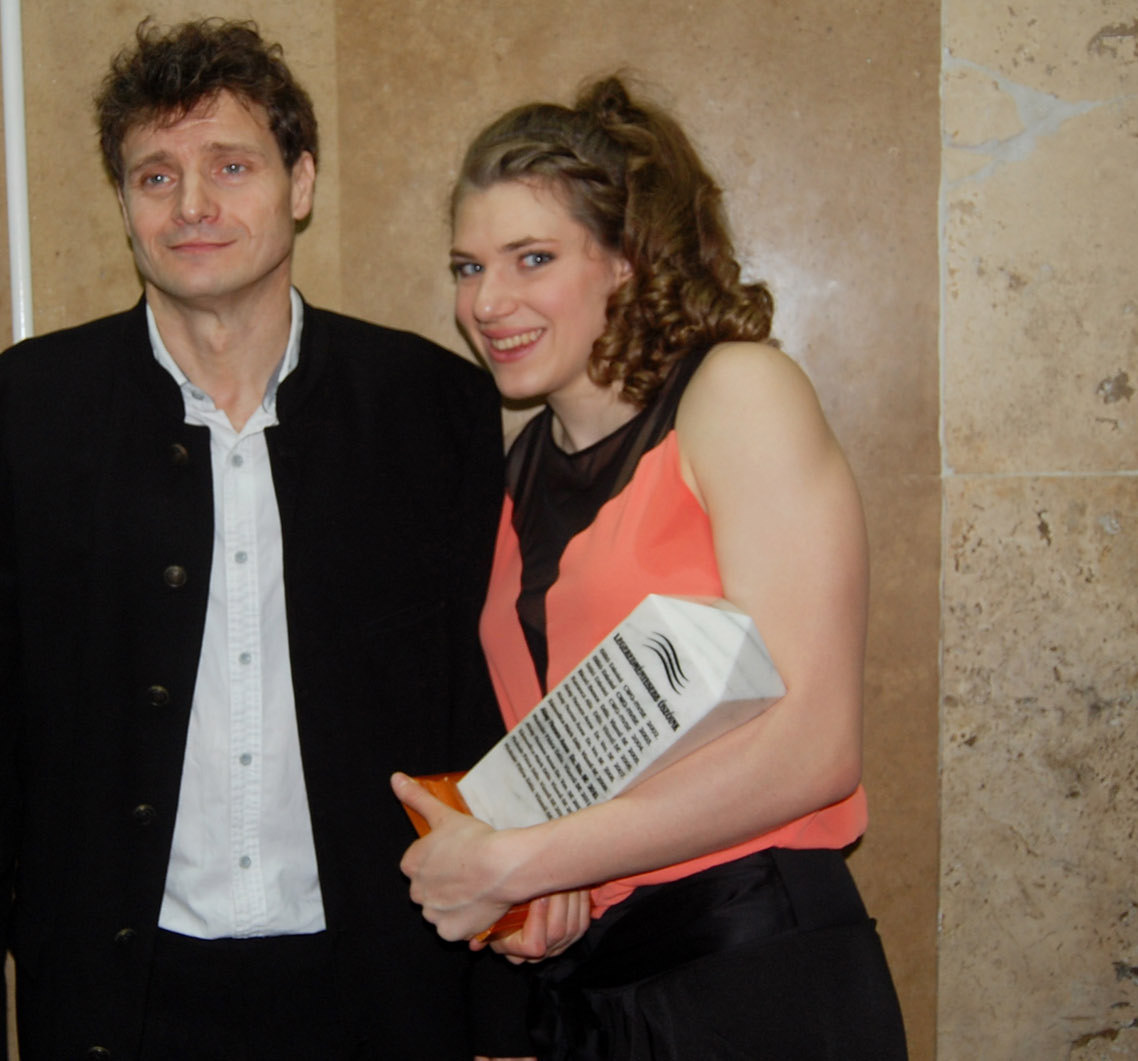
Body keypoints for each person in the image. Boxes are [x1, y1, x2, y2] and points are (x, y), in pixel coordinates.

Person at [0, 19, 532, 1061]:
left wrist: (507, 1025)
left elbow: (483, 723)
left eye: (231, 166)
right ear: (124, 204)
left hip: (381, 994)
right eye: (156, 176)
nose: (191, 204)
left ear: (300, 182)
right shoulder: (9, 421)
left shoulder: (432, 408)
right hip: (118, 1006)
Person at [392, 77, 907, 1058]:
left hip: (756, 971)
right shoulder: (514, 472)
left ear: (624, 260)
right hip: (595, 996)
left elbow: (816, 748)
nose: (486, 302)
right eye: (467, 266)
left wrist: (521, 860)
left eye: (532, 258)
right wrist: (546, 892)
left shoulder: (738, 392)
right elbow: (581, 758)